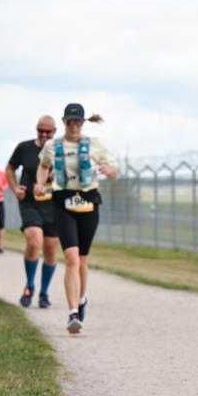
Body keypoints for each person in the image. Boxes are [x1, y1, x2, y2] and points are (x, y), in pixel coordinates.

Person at [34, 103, 118, 333]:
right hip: (63, 202)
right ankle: (73, 313)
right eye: (70, 121)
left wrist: (109, 171)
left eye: (77, 122)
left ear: (82, 122)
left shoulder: (94, 145)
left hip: (89, 202)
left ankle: (81, 299)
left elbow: (113, 167)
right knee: (70, 257)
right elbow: (43, 166)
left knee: (82, 258)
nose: (73, 126)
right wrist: (40, 183)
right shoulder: (53, 146)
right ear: (64, 122)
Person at [7, 116, 60, 308]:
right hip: (29, 201)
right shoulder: (24, 148)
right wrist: (14, 188)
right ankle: (29, 285)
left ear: (55, 131)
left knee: (51, 248)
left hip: (53, 204)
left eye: (48, 131)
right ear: (36, 129)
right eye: (41, 131)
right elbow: (10, 168)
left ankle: (44, 292)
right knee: (34, 240)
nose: (44, 135)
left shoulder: (60, 150)